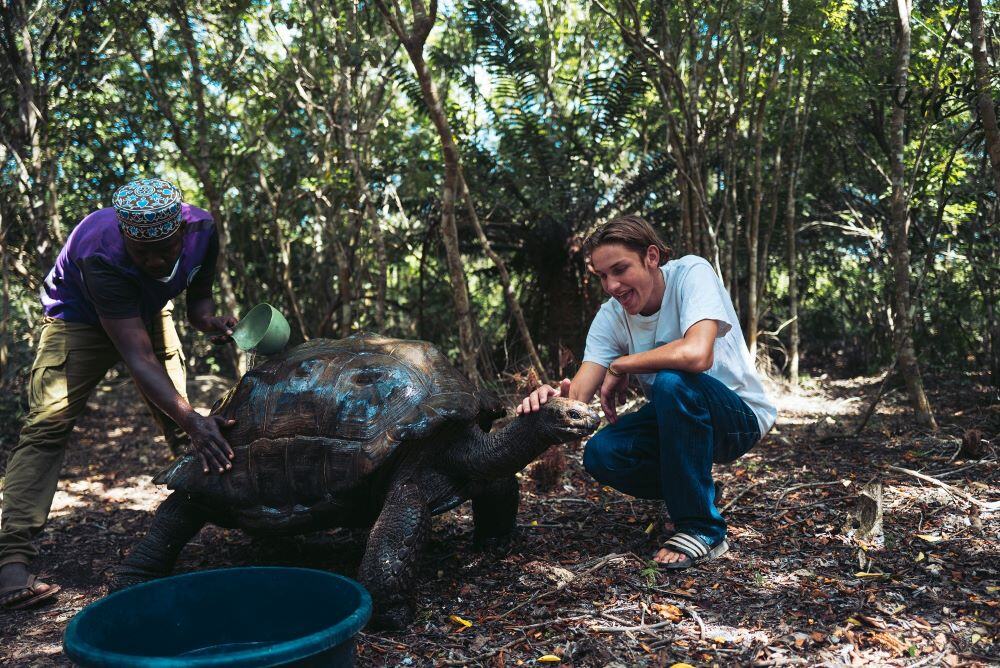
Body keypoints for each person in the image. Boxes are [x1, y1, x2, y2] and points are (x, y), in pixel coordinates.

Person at [0, 178, 238, 610]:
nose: (154, 259)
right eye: (141, 250)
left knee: (183, 422)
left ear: (182, 232)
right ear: (125, 235)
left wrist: (212, 323)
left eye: (165, 248)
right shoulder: (100, 251)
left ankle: (227, 512)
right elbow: (138, 356)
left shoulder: (204, 231)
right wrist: (191, 418)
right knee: (47, 427)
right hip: (78, 318)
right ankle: (11, 559)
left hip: (148, 309)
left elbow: (199, 306)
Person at [518, 215, 776, 569]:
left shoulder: (690, 274)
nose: (611, 285)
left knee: (673, 380)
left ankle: (703, 529)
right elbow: (576, 396)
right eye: (602, 276)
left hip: (738, 418)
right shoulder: (611, 317)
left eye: (620, 269)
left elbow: (697, 354)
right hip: (678, 423)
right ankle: (698, 493)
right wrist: (549, 403)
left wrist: (623, 364)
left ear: (651, 257)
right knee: (602, 452)